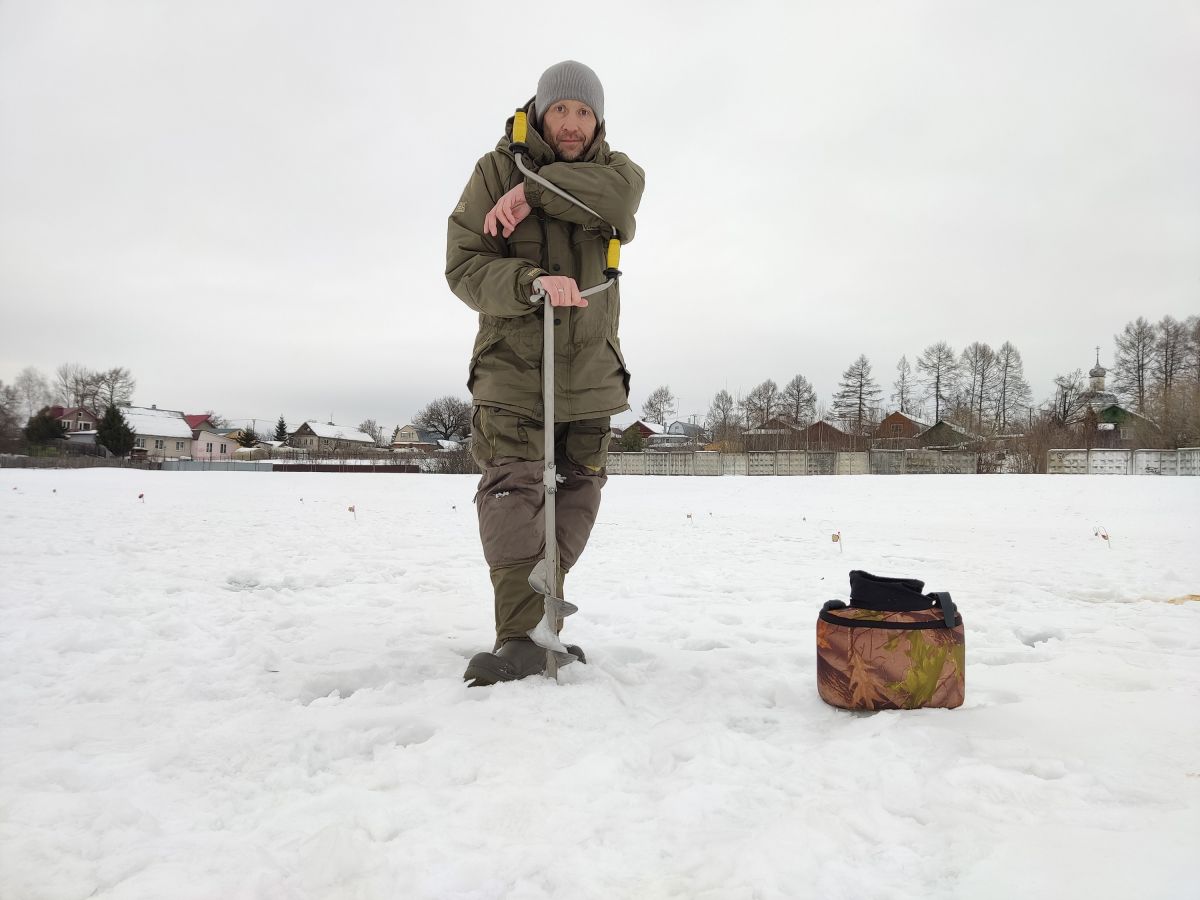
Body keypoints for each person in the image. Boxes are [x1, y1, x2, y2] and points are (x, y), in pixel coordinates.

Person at [445, 60, 645, 685]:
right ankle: (520, 636)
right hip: (513, 369)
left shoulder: (616, 174)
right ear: (539, 110)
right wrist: (528, 282)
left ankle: (544, 623)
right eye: (561, 109)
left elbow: (620, 203)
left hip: (588, 372)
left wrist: (531, 193)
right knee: (517, 490)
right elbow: (464, 265)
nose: (573, 122)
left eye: (585, 112)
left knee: (577, 493)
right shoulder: (494, 170)